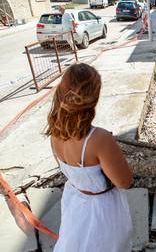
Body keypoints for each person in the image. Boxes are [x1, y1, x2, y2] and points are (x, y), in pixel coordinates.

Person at [46, 63, 133, 252]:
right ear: (94, 98)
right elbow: (124, 182)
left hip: (75, 202)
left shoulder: (55, 132)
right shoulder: (99, 139)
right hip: (102, 209)